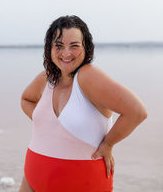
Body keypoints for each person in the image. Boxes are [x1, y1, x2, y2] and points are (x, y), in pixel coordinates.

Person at [18, 15, 147, 192]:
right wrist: (48, 124)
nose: (66, 53)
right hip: (33, 179)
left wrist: (108, 144)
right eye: (59, 45)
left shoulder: (88, 76)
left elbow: (137, 112)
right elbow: (26, 99)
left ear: (86, 47)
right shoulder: (47, 77)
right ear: (49, 48)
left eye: (74, 46)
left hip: (83, 182)